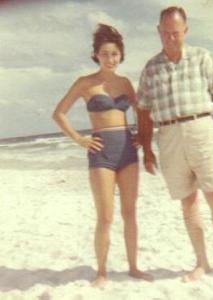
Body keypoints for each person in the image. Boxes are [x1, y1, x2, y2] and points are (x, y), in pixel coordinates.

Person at [137, 6, 213, 282]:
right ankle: (202, 262)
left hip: (201, 129)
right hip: (168, 136)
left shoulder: (203, 57)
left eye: (176, 33)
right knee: (188, 201)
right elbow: (143, 112)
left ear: (186, 31)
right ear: (158, 32)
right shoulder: (150, 68)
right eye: (166, 33)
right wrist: (146, 150)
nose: (171, 38)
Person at [52, 24, 153, 287]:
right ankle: (102, 272)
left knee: (129, 213)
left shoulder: (125, 83)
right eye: (105, 53)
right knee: (105, 216)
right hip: (101, 153)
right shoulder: (85, 83)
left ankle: (133, 267)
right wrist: (79, 139)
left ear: (121, 55)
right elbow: (59, 113)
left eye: (115, 54)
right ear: (96, 55)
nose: (110, 58)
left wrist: (142, 136)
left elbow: (141, 111)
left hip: (128, 151)